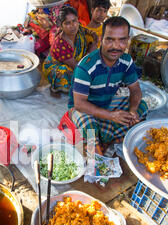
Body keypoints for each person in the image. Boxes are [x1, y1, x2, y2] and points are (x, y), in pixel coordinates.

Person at [68, 16, 148, 155]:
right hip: (83, 109)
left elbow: (135, 91)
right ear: (101, 39)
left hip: (108, 105)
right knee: (90, 127)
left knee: (142, 107)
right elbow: (79, 104)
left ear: (127, 40)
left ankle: (105, 139)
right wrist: (112, 116)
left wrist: (133, 111)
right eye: (110, 40)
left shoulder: (126, 61)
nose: (116, 46)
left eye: (122, 40)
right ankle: (106, 139)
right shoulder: (86, 66)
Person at [42, 6, 98, 95]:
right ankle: (57, 86)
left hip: (74, 62)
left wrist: (93, 34)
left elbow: (86, 30)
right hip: (56, 66)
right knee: (69, 73)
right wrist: (90, 51)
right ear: (61, 26)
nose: (73, 26)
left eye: (74, 21)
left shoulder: (78, 29)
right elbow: (77, 67)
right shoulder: (60, 44)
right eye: (67, 23)